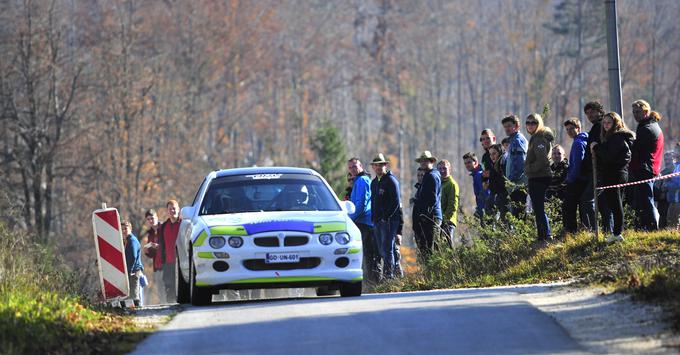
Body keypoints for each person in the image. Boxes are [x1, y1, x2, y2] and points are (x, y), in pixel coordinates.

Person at [591, 112, 635, 242]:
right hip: (615, 174)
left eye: (609, 122)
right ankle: (617, 231)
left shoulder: (617, 138)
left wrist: (597, 147)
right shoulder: (612, 137)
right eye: (604, 123)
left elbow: (609, 156)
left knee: (615, 204)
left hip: (615, 174)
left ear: (615, 123)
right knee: (615, 203)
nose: (605, 125)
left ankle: (617, 233)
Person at [630, 100, 664, 231]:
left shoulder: (647, 128)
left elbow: (637, 148)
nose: (635, 115)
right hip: (649, 167)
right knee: (644, 200)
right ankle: (646, 227)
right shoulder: (650, 125)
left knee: (646, 200)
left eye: (637, 112)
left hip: (645, 168)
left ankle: (651, 228)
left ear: (645, 112)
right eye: (633, 112)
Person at [582, 101, 613, 234]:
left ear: (600, 111)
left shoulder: (600, 126)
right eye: (587, 113)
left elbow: (599, 149)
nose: (590, 115)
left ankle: (594, 231)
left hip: (599, 171)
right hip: (598, 170)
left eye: (592, 112)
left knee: (587, 200)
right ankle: (607, 231)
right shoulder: (596, 127)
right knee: (604, 204)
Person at [370, 153, 402, 280]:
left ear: (385, 165)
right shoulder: (374, 183)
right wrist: (374, 218)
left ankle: (390, 276)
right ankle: (388, 275)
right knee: (381, 250)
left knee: (388, 249)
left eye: (381, 165)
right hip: (377, 221)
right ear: (373, 167)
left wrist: (386, 217)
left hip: (389, 221)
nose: (378, 167)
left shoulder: (391, 181)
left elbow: (396, 203)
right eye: (376, 165)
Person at [347, 158, 379, 283]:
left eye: (355, 166)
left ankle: (372, 282)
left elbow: (361, 205)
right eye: (350, 167)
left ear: (360, 166)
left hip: (364, 223)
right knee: (366, 254)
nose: (352, 169)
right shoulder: (358, 180)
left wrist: (350, 219)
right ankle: (370, 281)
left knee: (367, 255)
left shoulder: (362, 180)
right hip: (362, 222)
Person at [524, 113, 554, 243]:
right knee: (537, 208)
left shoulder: (539, 139)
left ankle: (545, 235)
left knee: (539, 208)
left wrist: (529, 169)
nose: (530, 125)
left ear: (539, 124)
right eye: (528, 122)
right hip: (537, 177)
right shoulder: (535, 138)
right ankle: (542, 235)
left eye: (533, 123)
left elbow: (542, 161)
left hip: (539, 178)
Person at [562, 118, 594, 234]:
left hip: (577, 180)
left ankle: (571, 233)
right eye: (567, 130)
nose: (569, 131)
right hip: (584, 179)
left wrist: (569, 180)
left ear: (578, 128)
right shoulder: (585, 139)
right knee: (581, 207)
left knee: (568, 208)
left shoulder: (578, 143)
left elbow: (577, 164)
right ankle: (586, 230)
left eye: (572, 129)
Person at [413, 151, 442, 260]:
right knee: (428, 249)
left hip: (431, 218)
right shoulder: (428, 175)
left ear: (431, 162)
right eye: (421, 161)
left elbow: (432, 199)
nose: (423, 163)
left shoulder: (432, 176)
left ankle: (435, 275)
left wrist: (425, 215)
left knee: (432, 250)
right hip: (429, 217)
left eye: (426, 160)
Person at [502, 115, 529, 217]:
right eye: (505, 127)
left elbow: (519, 164)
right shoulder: (513, 140)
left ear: (517, 125)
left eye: (509, 126)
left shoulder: (517, 141)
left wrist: (510, 182)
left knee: (519, 216)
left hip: (518, 185)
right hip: (516, 185)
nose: (506, 129)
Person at [159, 199, 181, 303]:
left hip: (182, 260)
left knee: (182, 283)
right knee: (169, 284)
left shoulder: (184, 224)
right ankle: (171, 305)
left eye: (174, 208)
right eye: (170, 209)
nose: (172, 211)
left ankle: (183, 303)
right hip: (168, 261)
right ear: (167, 211)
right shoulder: (164, 226)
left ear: (178, 209)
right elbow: (162, 244)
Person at [141, 209, 164, 305]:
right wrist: (147, 251)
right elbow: (152, 254)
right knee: (159, 286)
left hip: (167, 262)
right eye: (148, 219)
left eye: (152, 218)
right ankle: (164, 305)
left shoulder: (164, 227)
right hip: (156, 264)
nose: (151, 220)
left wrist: (159, 246)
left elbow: (170, 243)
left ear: (157, 217)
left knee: (168, 286)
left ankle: (172, 304)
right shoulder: (149, 233)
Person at [437, 159, 459, 247]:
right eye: (440, 169)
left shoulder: (452, 184)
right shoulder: (439, 183)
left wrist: (444, 220)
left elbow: (453, 206)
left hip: (448, 222)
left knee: (447, 248)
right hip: (439, 222)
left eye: (444, 168)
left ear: (449, 169)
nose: (442, 171)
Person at [122, 220, 144, 307]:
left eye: (125, 229)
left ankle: (139, 311)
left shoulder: (132, 240)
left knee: (134, 294)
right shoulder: (126, 240)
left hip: (134, 270)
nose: (123, 231)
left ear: (130, 229)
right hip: (130, 269)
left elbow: (133, 256)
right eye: (122, 229)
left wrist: (129, 271)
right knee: (130, 293)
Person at [463, 152, 489, 219]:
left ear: (475, 162)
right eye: (465, 163)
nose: (467, 165)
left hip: (486, 211)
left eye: (469, 162)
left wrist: (481, 210)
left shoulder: (479, 174)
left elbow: (486, 193)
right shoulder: (476, 174)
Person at [486, 144, 509, 218]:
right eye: (490, 154)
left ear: (500, 152)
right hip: (498, 198)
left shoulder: (503, 163)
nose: (492, 156)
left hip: (504, 198)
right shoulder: (495, 164)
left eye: (494, 153)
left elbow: (503, 182)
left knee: (504, 221)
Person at [664, 142, 680, 229]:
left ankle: (674, 237)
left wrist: (668, 183)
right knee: (669, 219)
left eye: (676, 150)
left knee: (675, 219)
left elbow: (678, 183)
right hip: (672, 198)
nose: (674, 151)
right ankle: (670, 234)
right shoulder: (676, 166)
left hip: (678, 199)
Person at [657, 152, 676, 229]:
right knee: (662, 217)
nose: (667, 161)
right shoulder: (662, 172)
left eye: (669, 159)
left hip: (673, 199)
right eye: (665, 159)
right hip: (662, 199)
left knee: (670, 220)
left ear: (674, 160)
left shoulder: (676, 171)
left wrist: (666, 185)